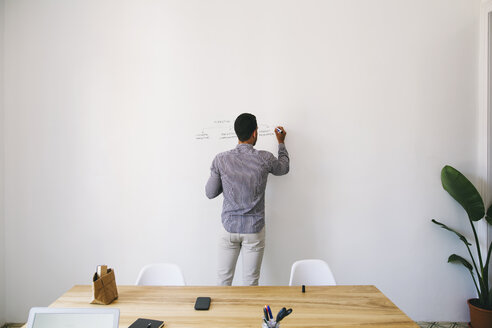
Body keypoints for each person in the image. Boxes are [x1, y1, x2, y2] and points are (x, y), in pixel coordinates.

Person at [205, 113, 290, 286]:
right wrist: (281, 143)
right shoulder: (264, 158)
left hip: (229, 228)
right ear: (254, 133)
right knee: (251, 285)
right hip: (254, 230)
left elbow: (210, 192)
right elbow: (283, 168)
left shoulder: (221, 159)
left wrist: (227, 181)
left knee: (223, 282)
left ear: (237, 133)